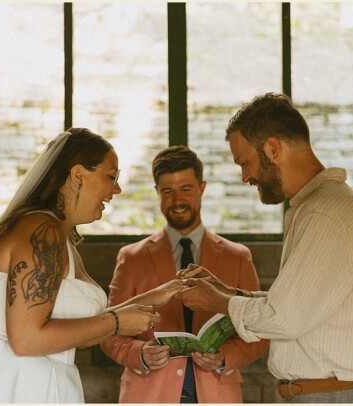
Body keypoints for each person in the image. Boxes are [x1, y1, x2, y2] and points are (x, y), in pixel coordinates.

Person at [0, 128, 186, 403]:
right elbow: (27, 338)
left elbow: (78, 331)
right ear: (78, 174)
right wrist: (115, 322)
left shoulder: (60, 238)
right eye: (111, 177)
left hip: (37, 379)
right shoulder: (43, 231)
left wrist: (153, 297)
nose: (116, 189)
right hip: (11, 383)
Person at [176, 92, 353, 403]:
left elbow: (284, 317)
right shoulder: (319, 207)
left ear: (273, 148)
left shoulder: (325, 213)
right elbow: (297, 304)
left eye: (245, 162)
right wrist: (227, 292)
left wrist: (218, 301)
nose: (244, 176)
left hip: (334, 397)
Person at [101, 146, 267, 403]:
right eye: (168, 191)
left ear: (202, 188)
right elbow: (109, 332)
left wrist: (225, 356)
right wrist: (140, 353)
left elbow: (258, 333)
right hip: (148, 395)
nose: (178, 200)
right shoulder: (131, 257)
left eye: (186, 189)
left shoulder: (238, 257)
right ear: (157, 192)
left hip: (217, 393)